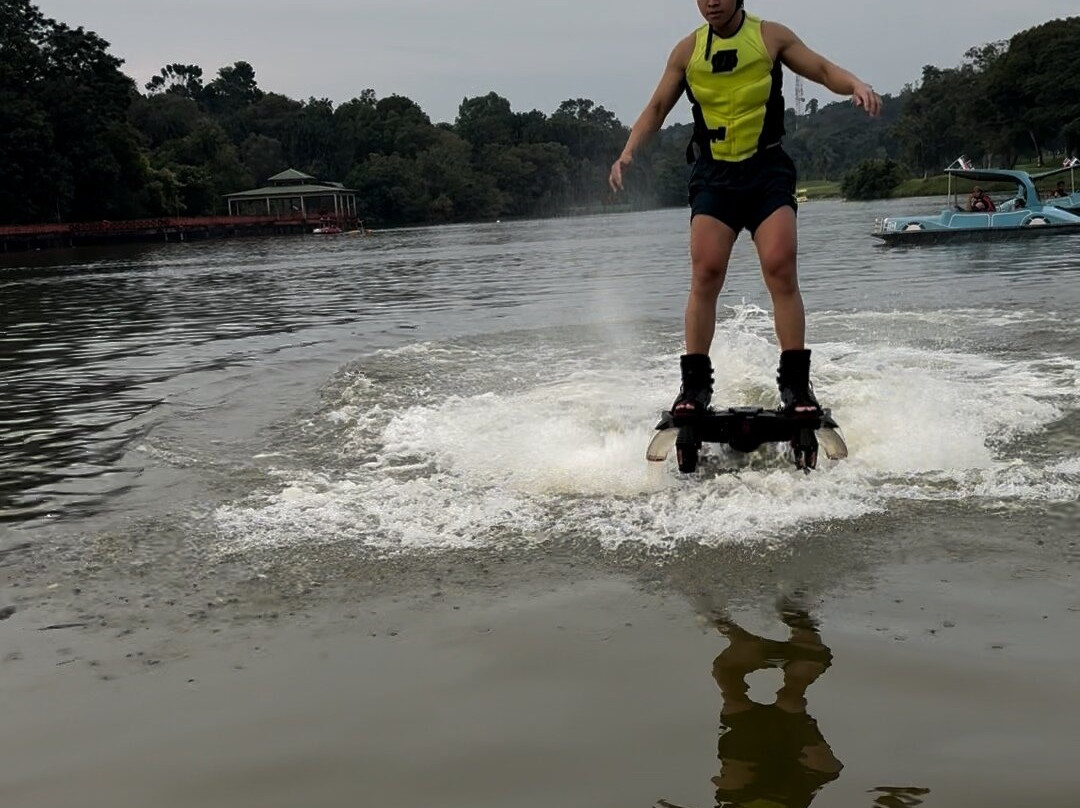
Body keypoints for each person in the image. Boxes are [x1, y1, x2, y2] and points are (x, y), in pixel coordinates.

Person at [609, 0, 881, 418]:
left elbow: (824, 70)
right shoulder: (687, 51)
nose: (711, 3)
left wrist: (856, 85)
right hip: (714, 175)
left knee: (780, 265)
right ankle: (694, 389)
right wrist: (628, 153)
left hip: (766, 171)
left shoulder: (770, 36)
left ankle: (796, 387)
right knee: (706, 271)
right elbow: (658, 108)